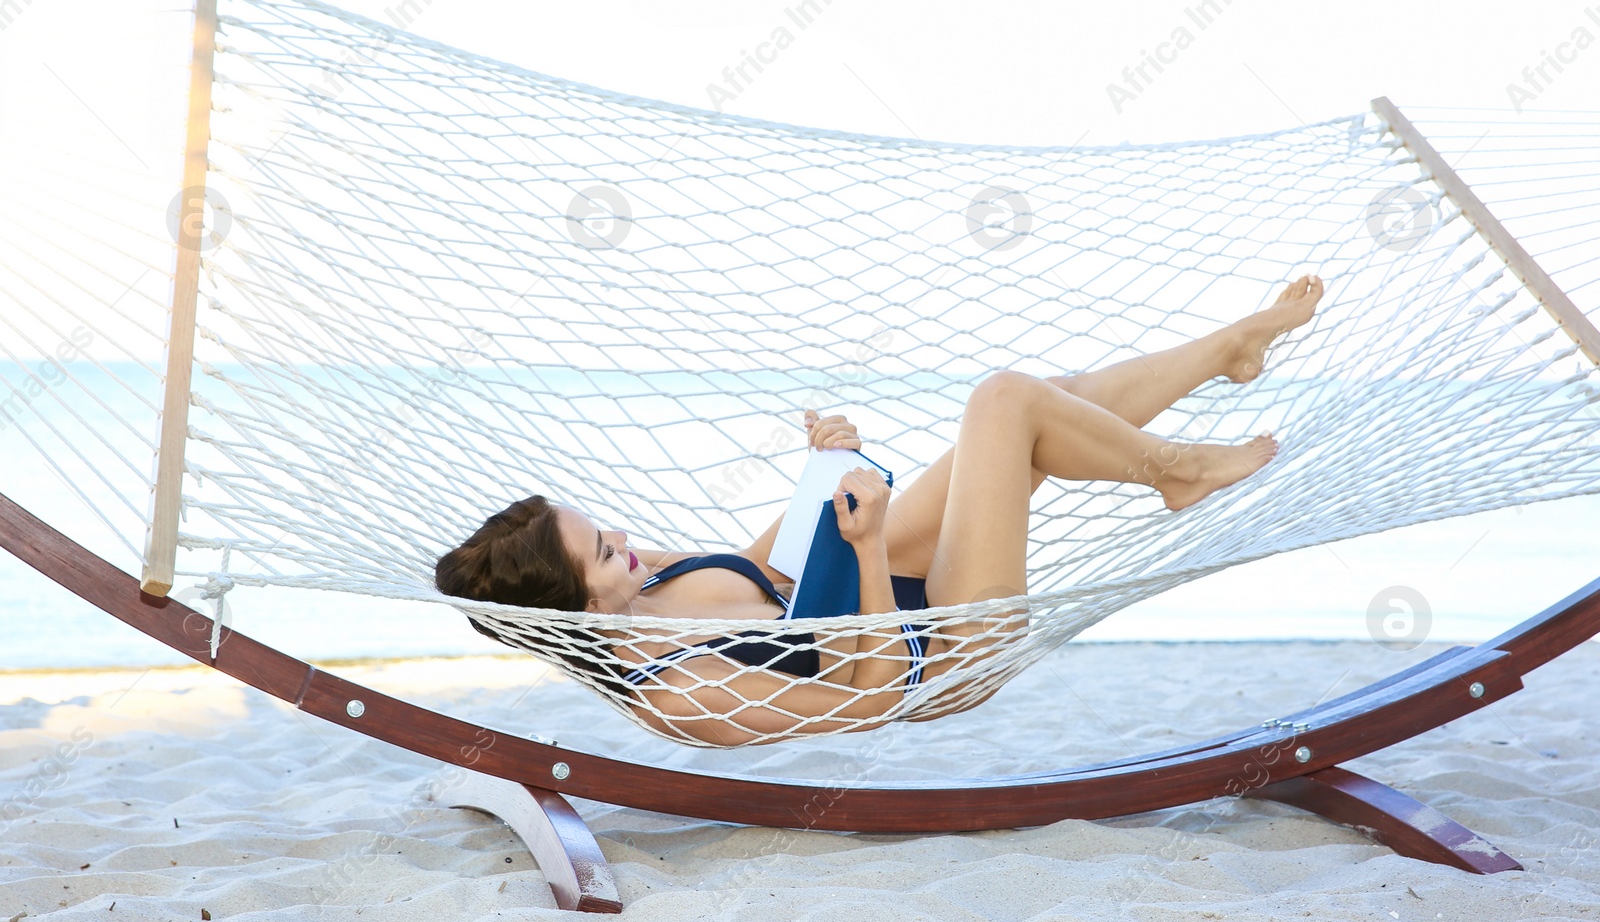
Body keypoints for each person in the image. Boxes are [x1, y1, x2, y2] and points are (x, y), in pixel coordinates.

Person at [436, 275, 1326, 745]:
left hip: (884, 594)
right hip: (938, 651)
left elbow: (772, 577)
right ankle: (1174, 469)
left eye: (604, 527)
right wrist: (861, 549)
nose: (624, 540)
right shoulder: (678, 692)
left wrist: (822, 475)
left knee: (1037, 406)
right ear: (584, 608)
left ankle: (1223, 353)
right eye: (603, 549)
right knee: (1004, 402)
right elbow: (860, 706)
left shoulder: (645, 580)